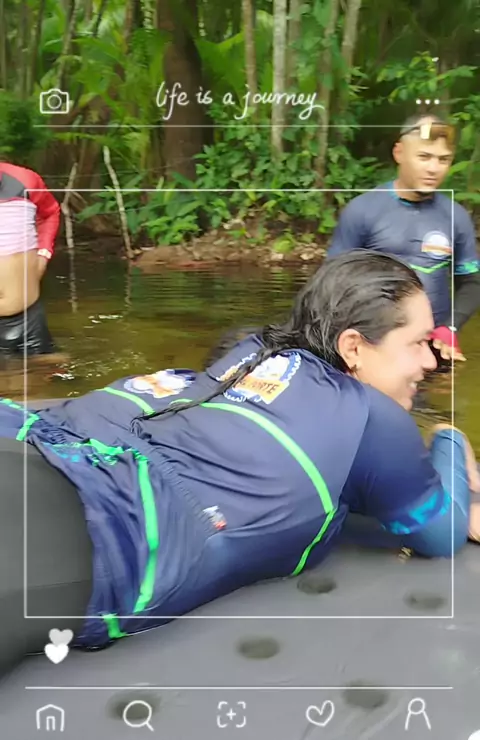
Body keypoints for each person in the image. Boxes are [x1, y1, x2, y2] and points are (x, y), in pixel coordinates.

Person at [0, 250, 479, 679]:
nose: (430, 362)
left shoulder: (253, 353)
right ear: (353, 346)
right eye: (418, 342)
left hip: (41, 447)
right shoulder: (373, 416)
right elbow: (442, 533)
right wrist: (450, 440)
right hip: (98, 526)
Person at [327, 115, 480, 363]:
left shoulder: (456, 217)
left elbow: (472, 284)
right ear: (399, 153)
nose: (433, 168)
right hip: (375, 347)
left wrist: (450, 327)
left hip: (434, 346)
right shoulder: (363, 210)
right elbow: (331, 284)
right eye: (424, 157)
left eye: (443, 159)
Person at [0, 160, 60, 356]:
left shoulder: (24, 180)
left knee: (49, 369)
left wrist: (44, 253)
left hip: (28, 319)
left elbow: (50, 213)